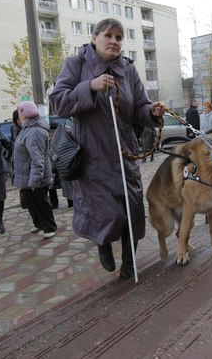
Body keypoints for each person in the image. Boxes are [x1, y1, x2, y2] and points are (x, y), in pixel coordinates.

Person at [50, 18, 165, 279]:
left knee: (132, 209)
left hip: (125, 153)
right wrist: (89, 87)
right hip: (92, 154)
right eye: (108, 35)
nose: (114, 41)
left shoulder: (128, 69)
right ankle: (102, 243)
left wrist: (151, 111)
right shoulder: (76, 64)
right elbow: (58, 103)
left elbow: (139, 107)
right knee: (106, 211)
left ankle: (129, 262)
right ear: (94, 38)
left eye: (119, 37)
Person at [12, 101, 57, 239]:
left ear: (24, 115)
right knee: (32, 203)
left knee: (41, 202)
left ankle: (49, 226)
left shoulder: (34, 131)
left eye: (19, 113)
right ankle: (38, 223)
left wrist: (35, 180)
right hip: (26, 175)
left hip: (35, 176)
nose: (18, 116)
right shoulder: (27, 129)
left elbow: (37, 160)